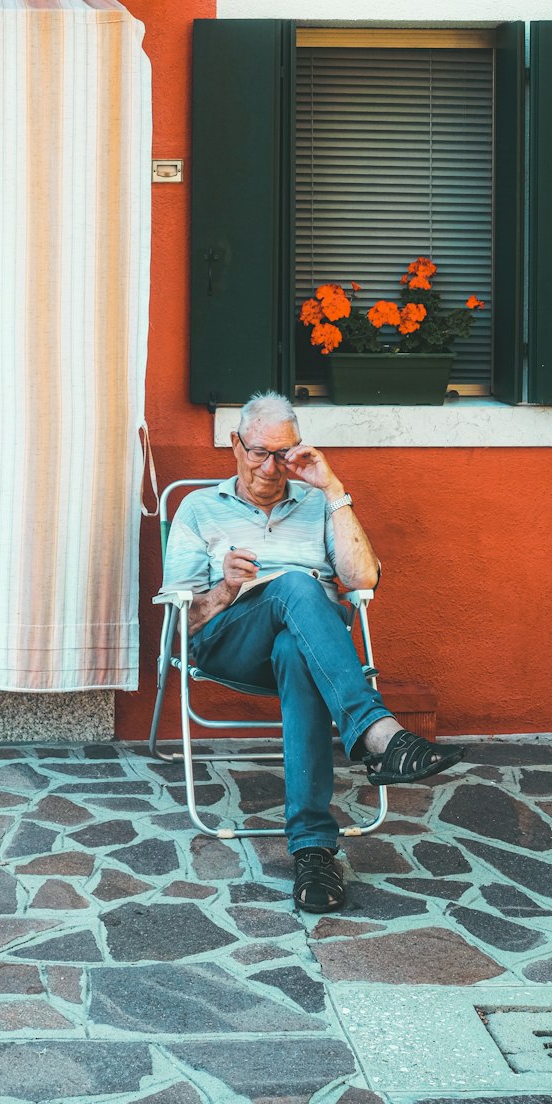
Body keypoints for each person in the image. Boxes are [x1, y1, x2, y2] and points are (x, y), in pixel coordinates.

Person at [160, 390, 465, 914]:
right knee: (298, 585)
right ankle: (377, 734)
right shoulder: (199, 507)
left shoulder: (317, 502)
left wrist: (334, 490)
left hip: (309, 646)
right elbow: (182, 622)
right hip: (228, 641)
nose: (272, 467)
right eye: (259, 452)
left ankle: (313, 852)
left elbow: (362, 580)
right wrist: (226, 589)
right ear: (235, 444)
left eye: (284, 453)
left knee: (298, 651)